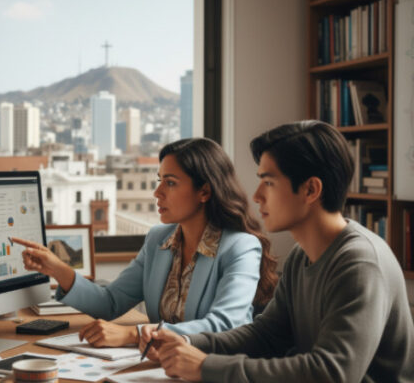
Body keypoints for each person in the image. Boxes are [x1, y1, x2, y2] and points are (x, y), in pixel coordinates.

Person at [151, 121, 414, 383]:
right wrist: (187, 341)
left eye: (269, 182)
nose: (257, 195)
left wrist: (206, 366)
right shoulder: (304, 255)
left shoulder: (359, 262)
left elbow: (331, 377)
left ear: (311, 189)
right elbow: (267, 336)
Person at [14, 138, 276, 351]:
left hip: (215, 369)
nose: (157, 192)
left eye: (170, 183)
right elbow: (110, 302)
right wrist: (58, 269)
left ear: (204, 192)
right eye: (159, 180)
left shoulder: (240, 247)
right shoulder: (158, 239)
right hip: (163, 366)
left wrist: (133, 334)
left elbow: (225, 325)